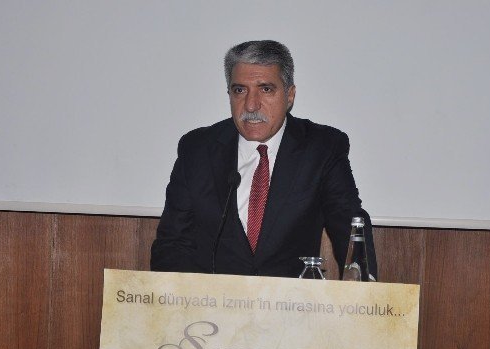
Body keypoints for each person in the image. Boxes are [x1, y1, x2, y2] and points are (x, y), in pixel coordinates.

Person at [151, 40, 377, 279]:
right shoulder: (198, 149)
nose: (251, 105)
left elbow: (350, 226)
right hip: (212, 300)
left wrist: (359, 283)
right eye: (240, 90)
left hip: (292, 299)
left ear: (289, 95)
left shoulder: (321, 148)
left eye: (266, 89)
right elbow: (173, 243)